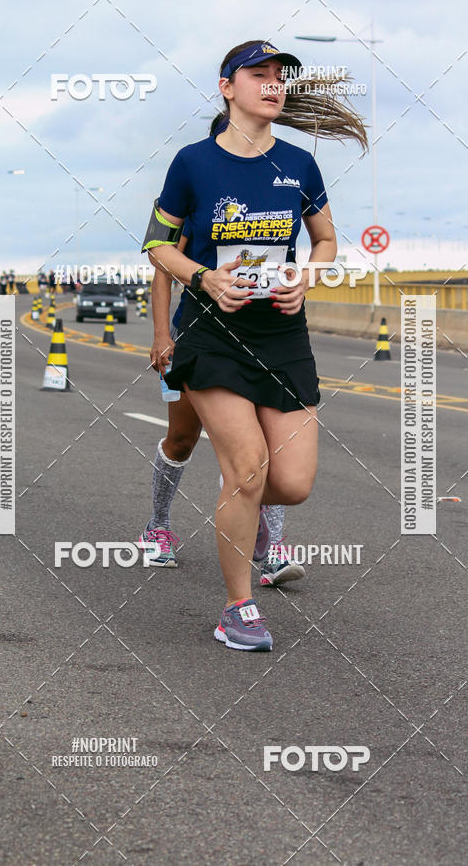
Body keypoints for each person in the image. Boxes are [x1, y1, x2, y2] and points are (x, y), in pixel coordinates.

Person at [143, 40, 367, 651]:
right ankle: (237, 609)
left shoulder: (299, 164)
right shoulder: (192, 163)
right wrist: (204, 278)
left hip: (281, 335)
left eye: (280, 77)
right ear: (227, 88)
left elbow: (325, 240)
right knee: (246, 470)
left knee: (291, 483)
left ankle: (240, 510)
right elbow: (157, 246)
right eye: (259, 74)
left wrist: (307, 276)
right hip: (211, 334)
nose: (273, 84)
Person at [143, 222, 305, 587]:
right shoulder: (184, 198)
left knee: (263, 447)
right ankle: (158, 526)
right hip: (201, 337)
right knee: (181, 439)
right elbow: (163, 267)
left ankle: (274, 548)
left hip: (263, 336)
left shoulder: (273, 198)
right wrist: (161, 334)